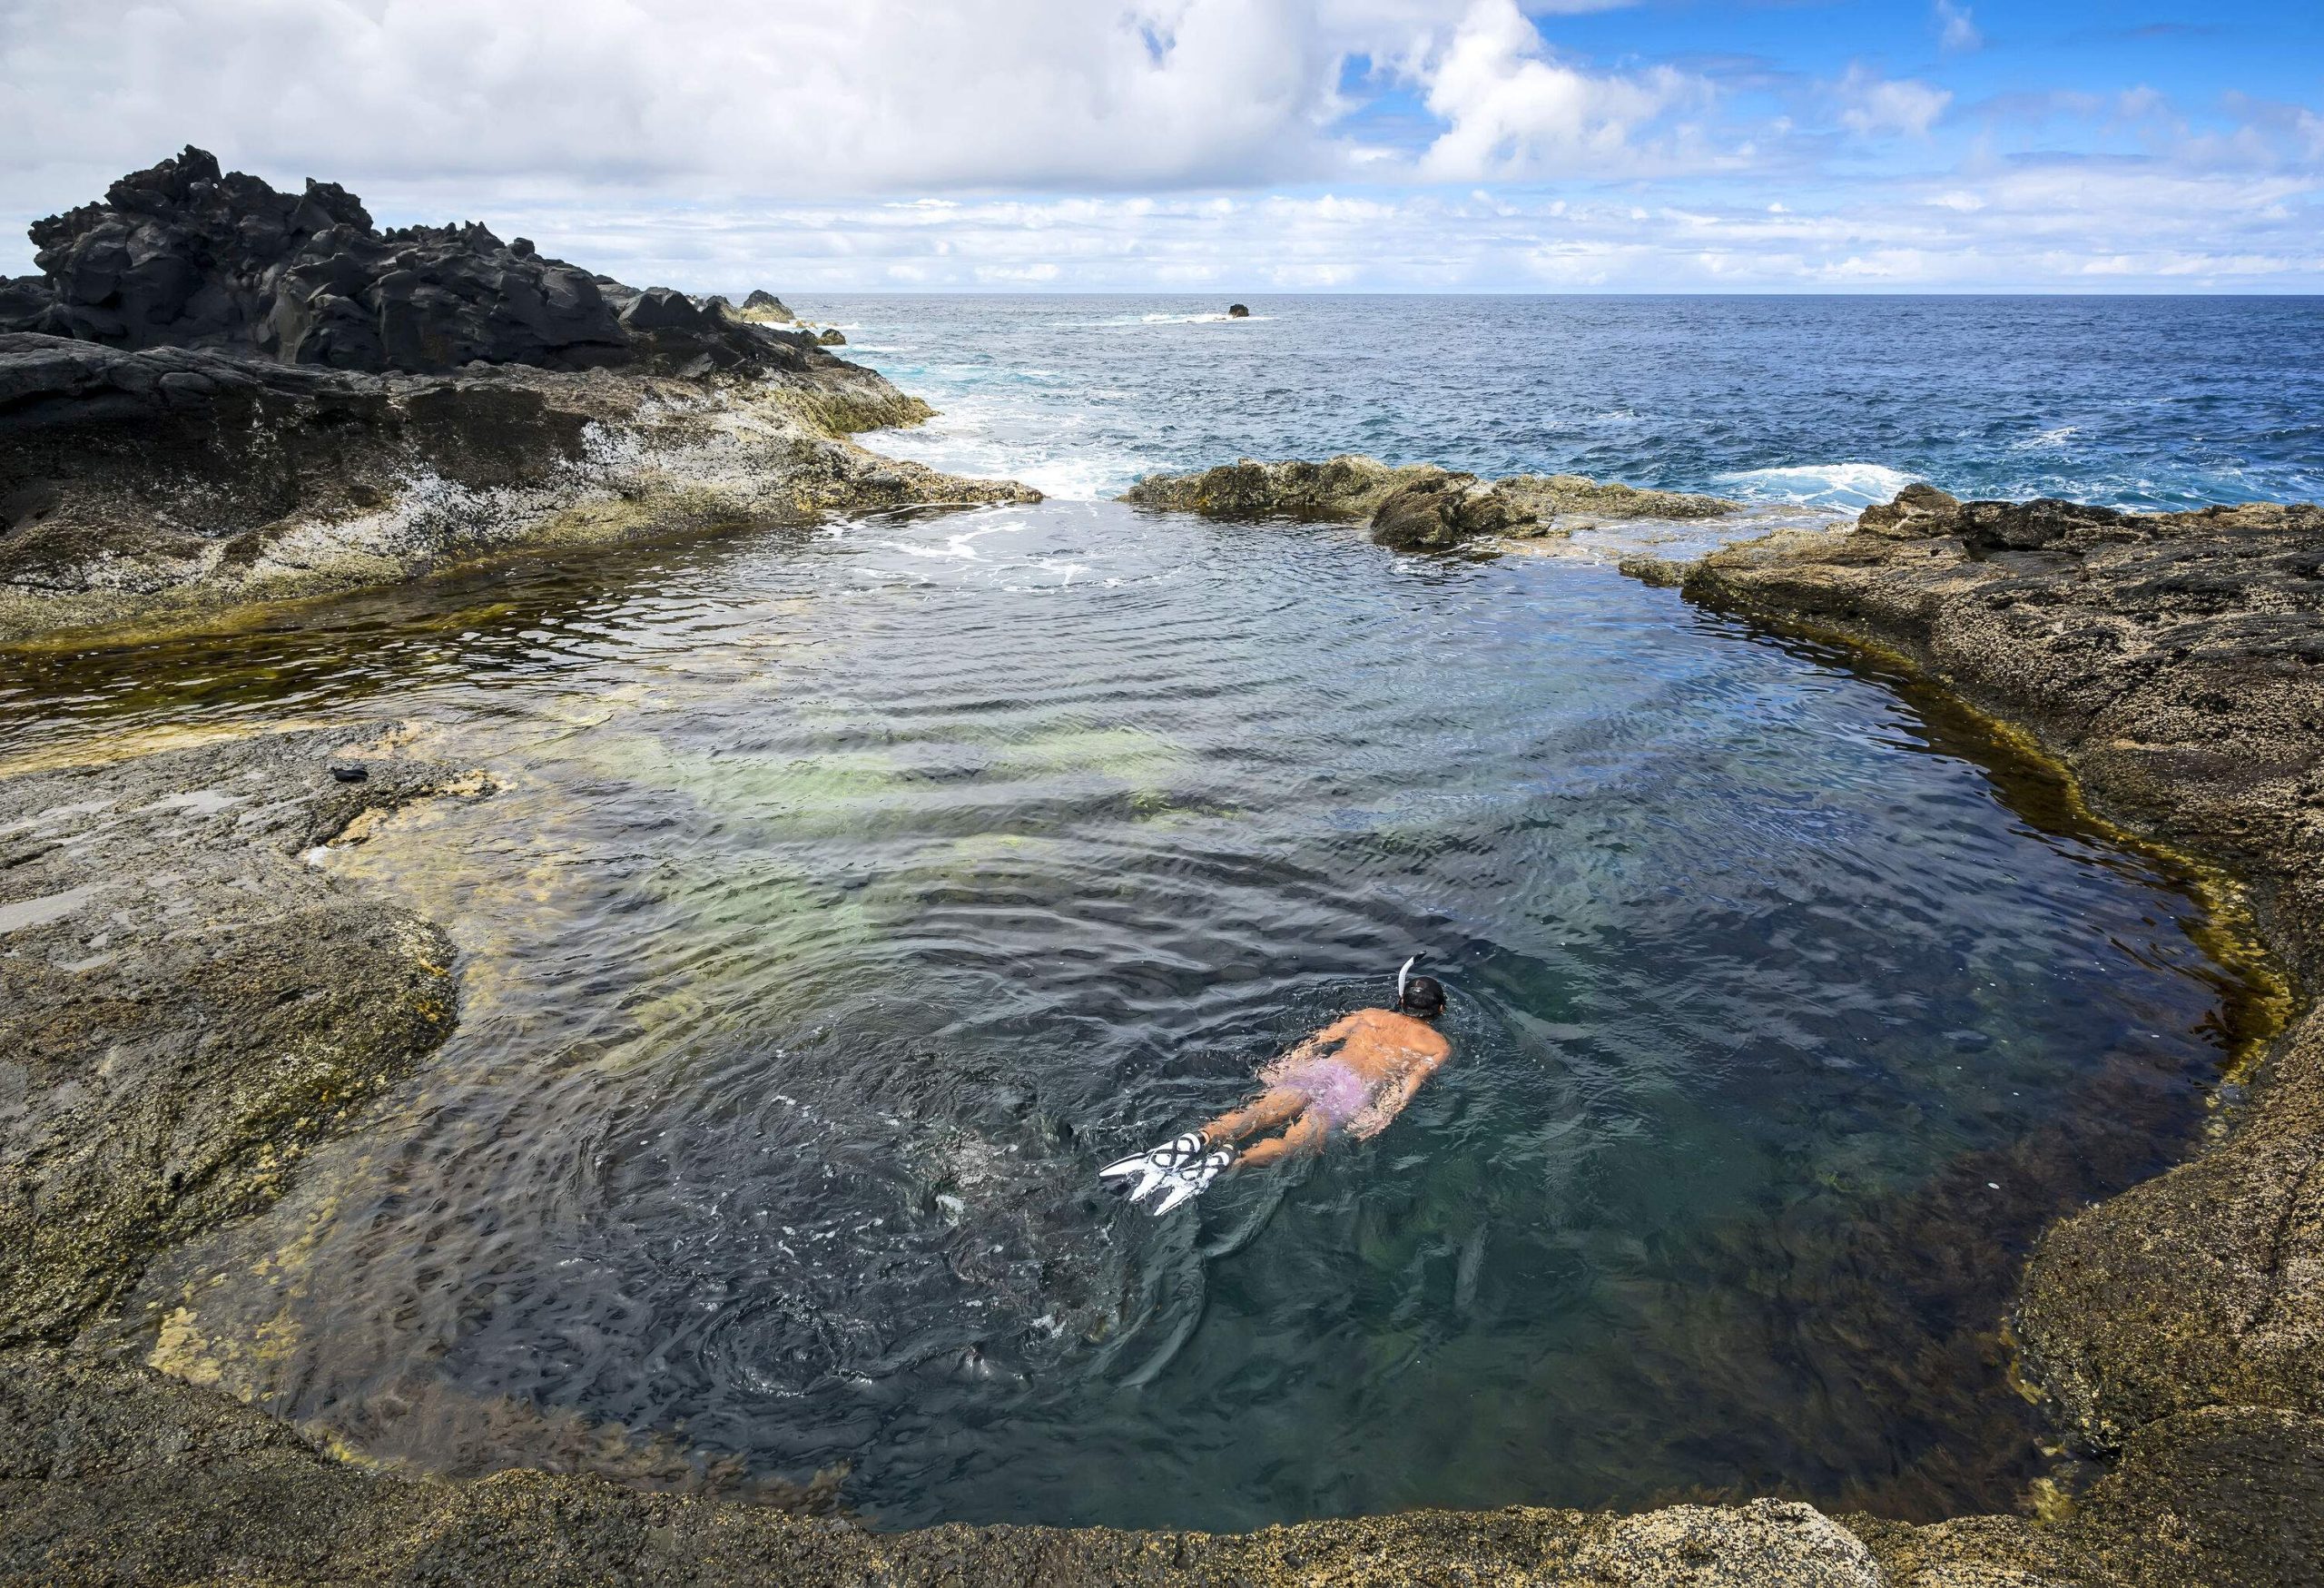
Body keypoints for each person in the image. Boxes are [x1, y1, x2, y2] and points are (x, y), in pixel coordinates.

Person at [1102, 956, 1451, 1215]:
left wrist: (1287, 1065)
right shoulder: (1435, 1046)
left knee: (1260, 1111)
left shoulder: (1369, 1015)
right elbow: (1408, 1084)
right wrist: (1383, 1115)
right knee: (1299, 1141)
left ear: (1402, 1001)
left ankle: (1202, 1138)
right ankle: (1232, 1162)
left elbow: (1318, 1040)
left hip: (1322, 1070)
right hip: (1354, 1090)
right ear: (1440, 1010)